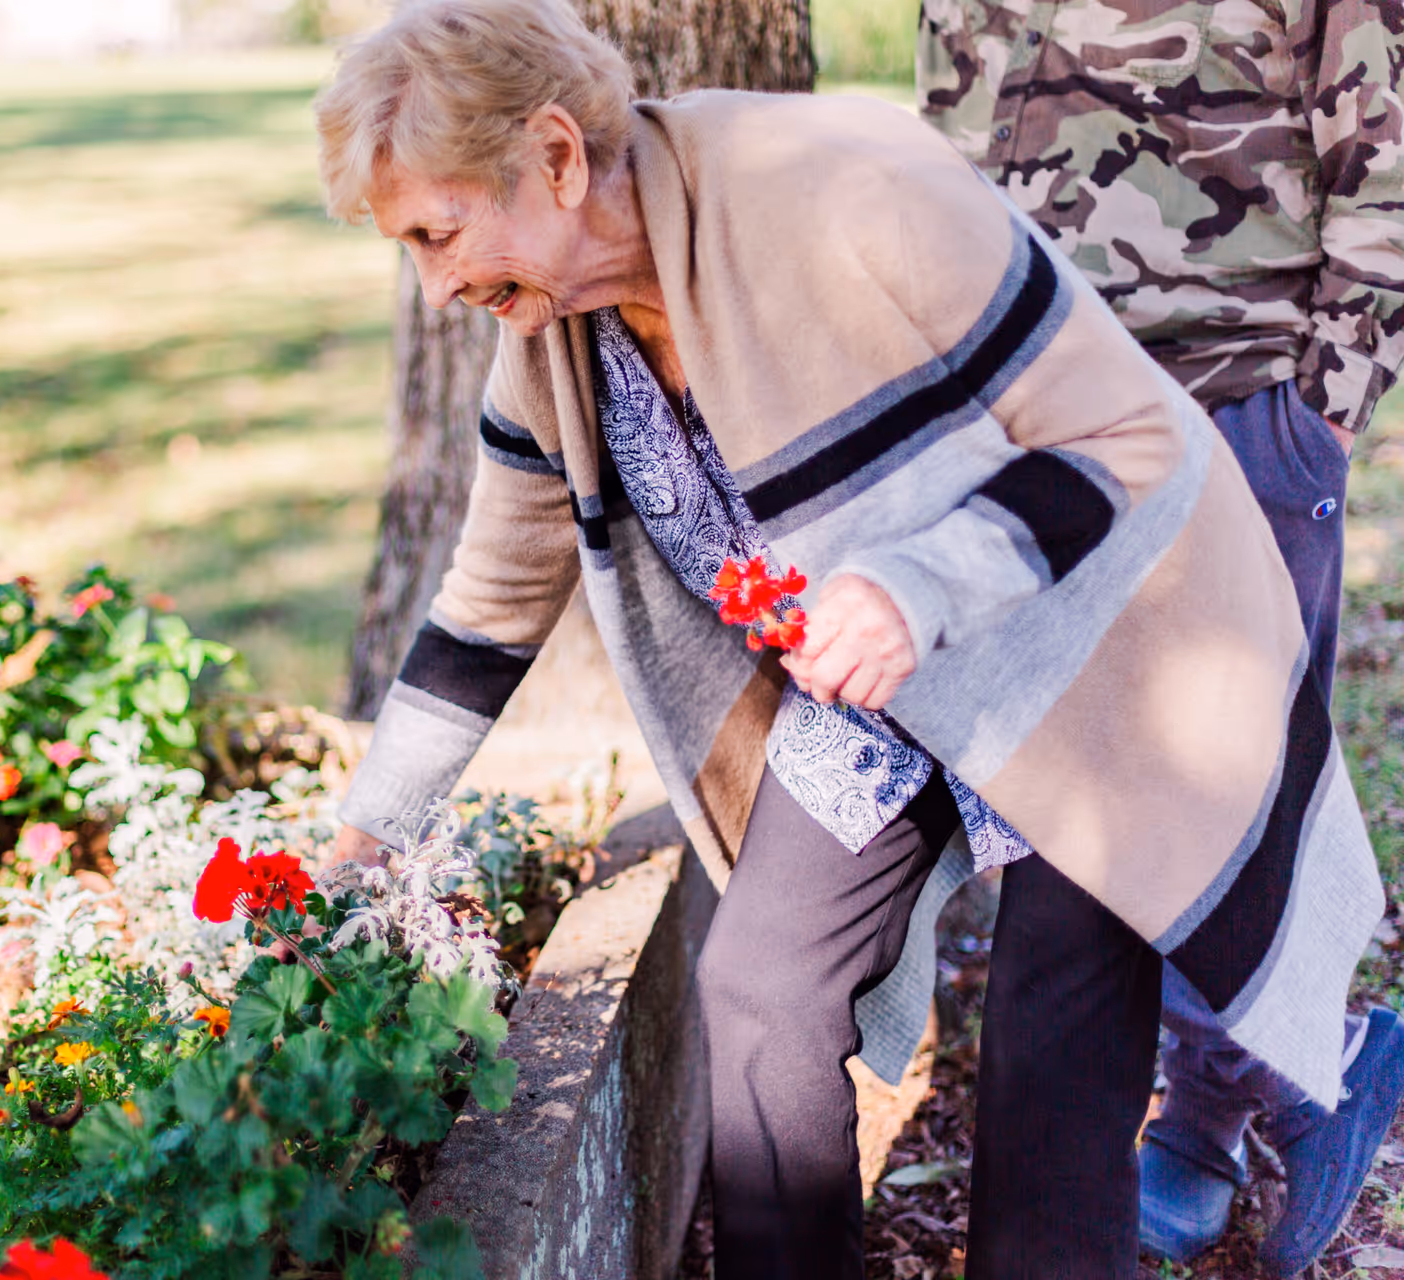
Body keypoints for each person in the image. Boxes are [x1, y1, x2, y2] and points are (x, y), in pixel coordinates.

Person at [314, 0, 1382, 1274]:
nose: (439, 288)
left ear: (555, 156)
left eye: (441, 234)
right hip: (890, 684)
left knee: (1055, 1035)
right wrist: (368, 836)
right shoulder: (548, 335)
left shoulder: (838, 189)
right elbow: (490, 597)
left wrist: (908, 589)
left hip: (1099, 630)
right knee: (763, 985)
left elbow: (1130, 443)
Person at [917, 1, 1404, 1270]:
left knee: (1219, 781)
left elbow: (1384, 164)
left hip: (1237, 407)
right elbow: (953, 145)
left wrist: (1316, 420)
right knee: (1091, 796)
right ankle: (1275, 1085)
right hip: (1040, 425)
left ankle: (1247, 1093)